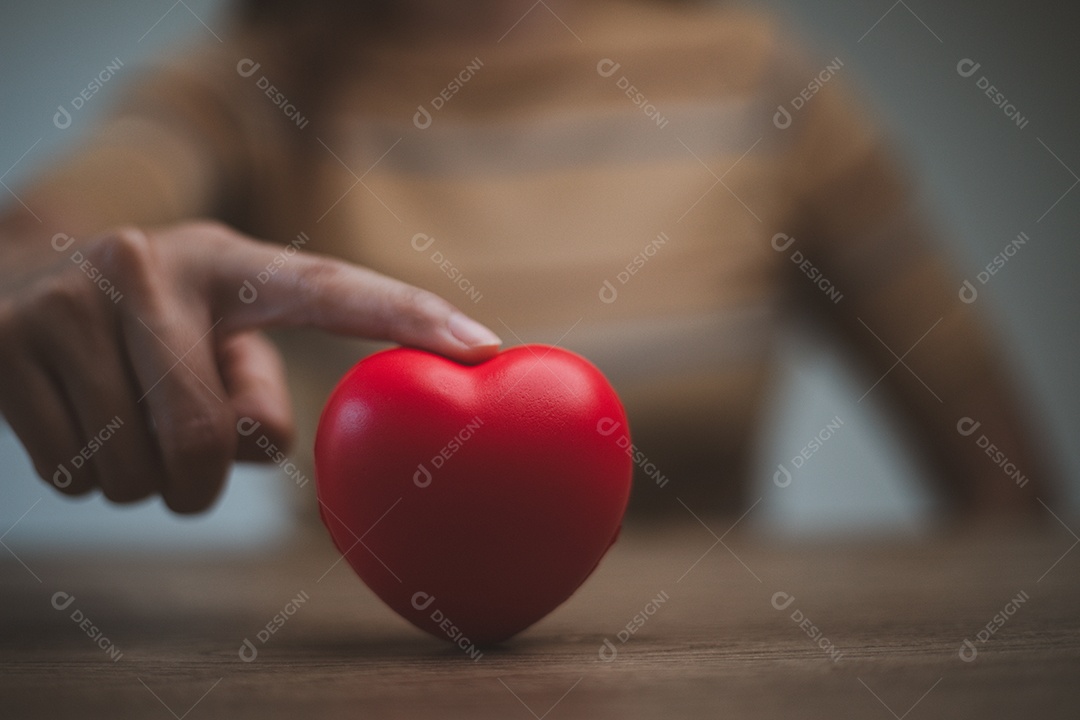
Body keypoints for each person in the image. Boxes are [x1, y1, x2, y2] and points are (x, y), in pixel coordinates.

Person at [0, 0, 1050, 521]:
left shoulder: (763, 82)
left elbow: (1006, 488)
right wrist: (62, 280)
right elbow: (49, 232)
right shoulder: (258, 86)